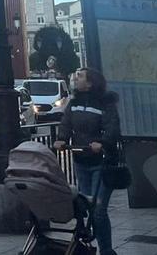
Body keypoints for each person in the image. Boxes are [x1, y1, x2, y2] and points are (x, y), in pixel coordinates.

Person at [56, 67, 120, 255]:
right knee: (84, 205)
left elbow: (112, 127)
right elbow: (66, 123)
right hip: (81, 159)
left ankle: (106, 250)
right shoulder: (73, 103)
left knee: (98, 209)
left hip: (101, 161)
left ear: (91, 82)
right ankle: (85, 245)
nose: (76, 78)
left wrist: (102, 142)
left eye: (81, 76)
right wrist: (62, 138)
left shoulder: (105, 104)